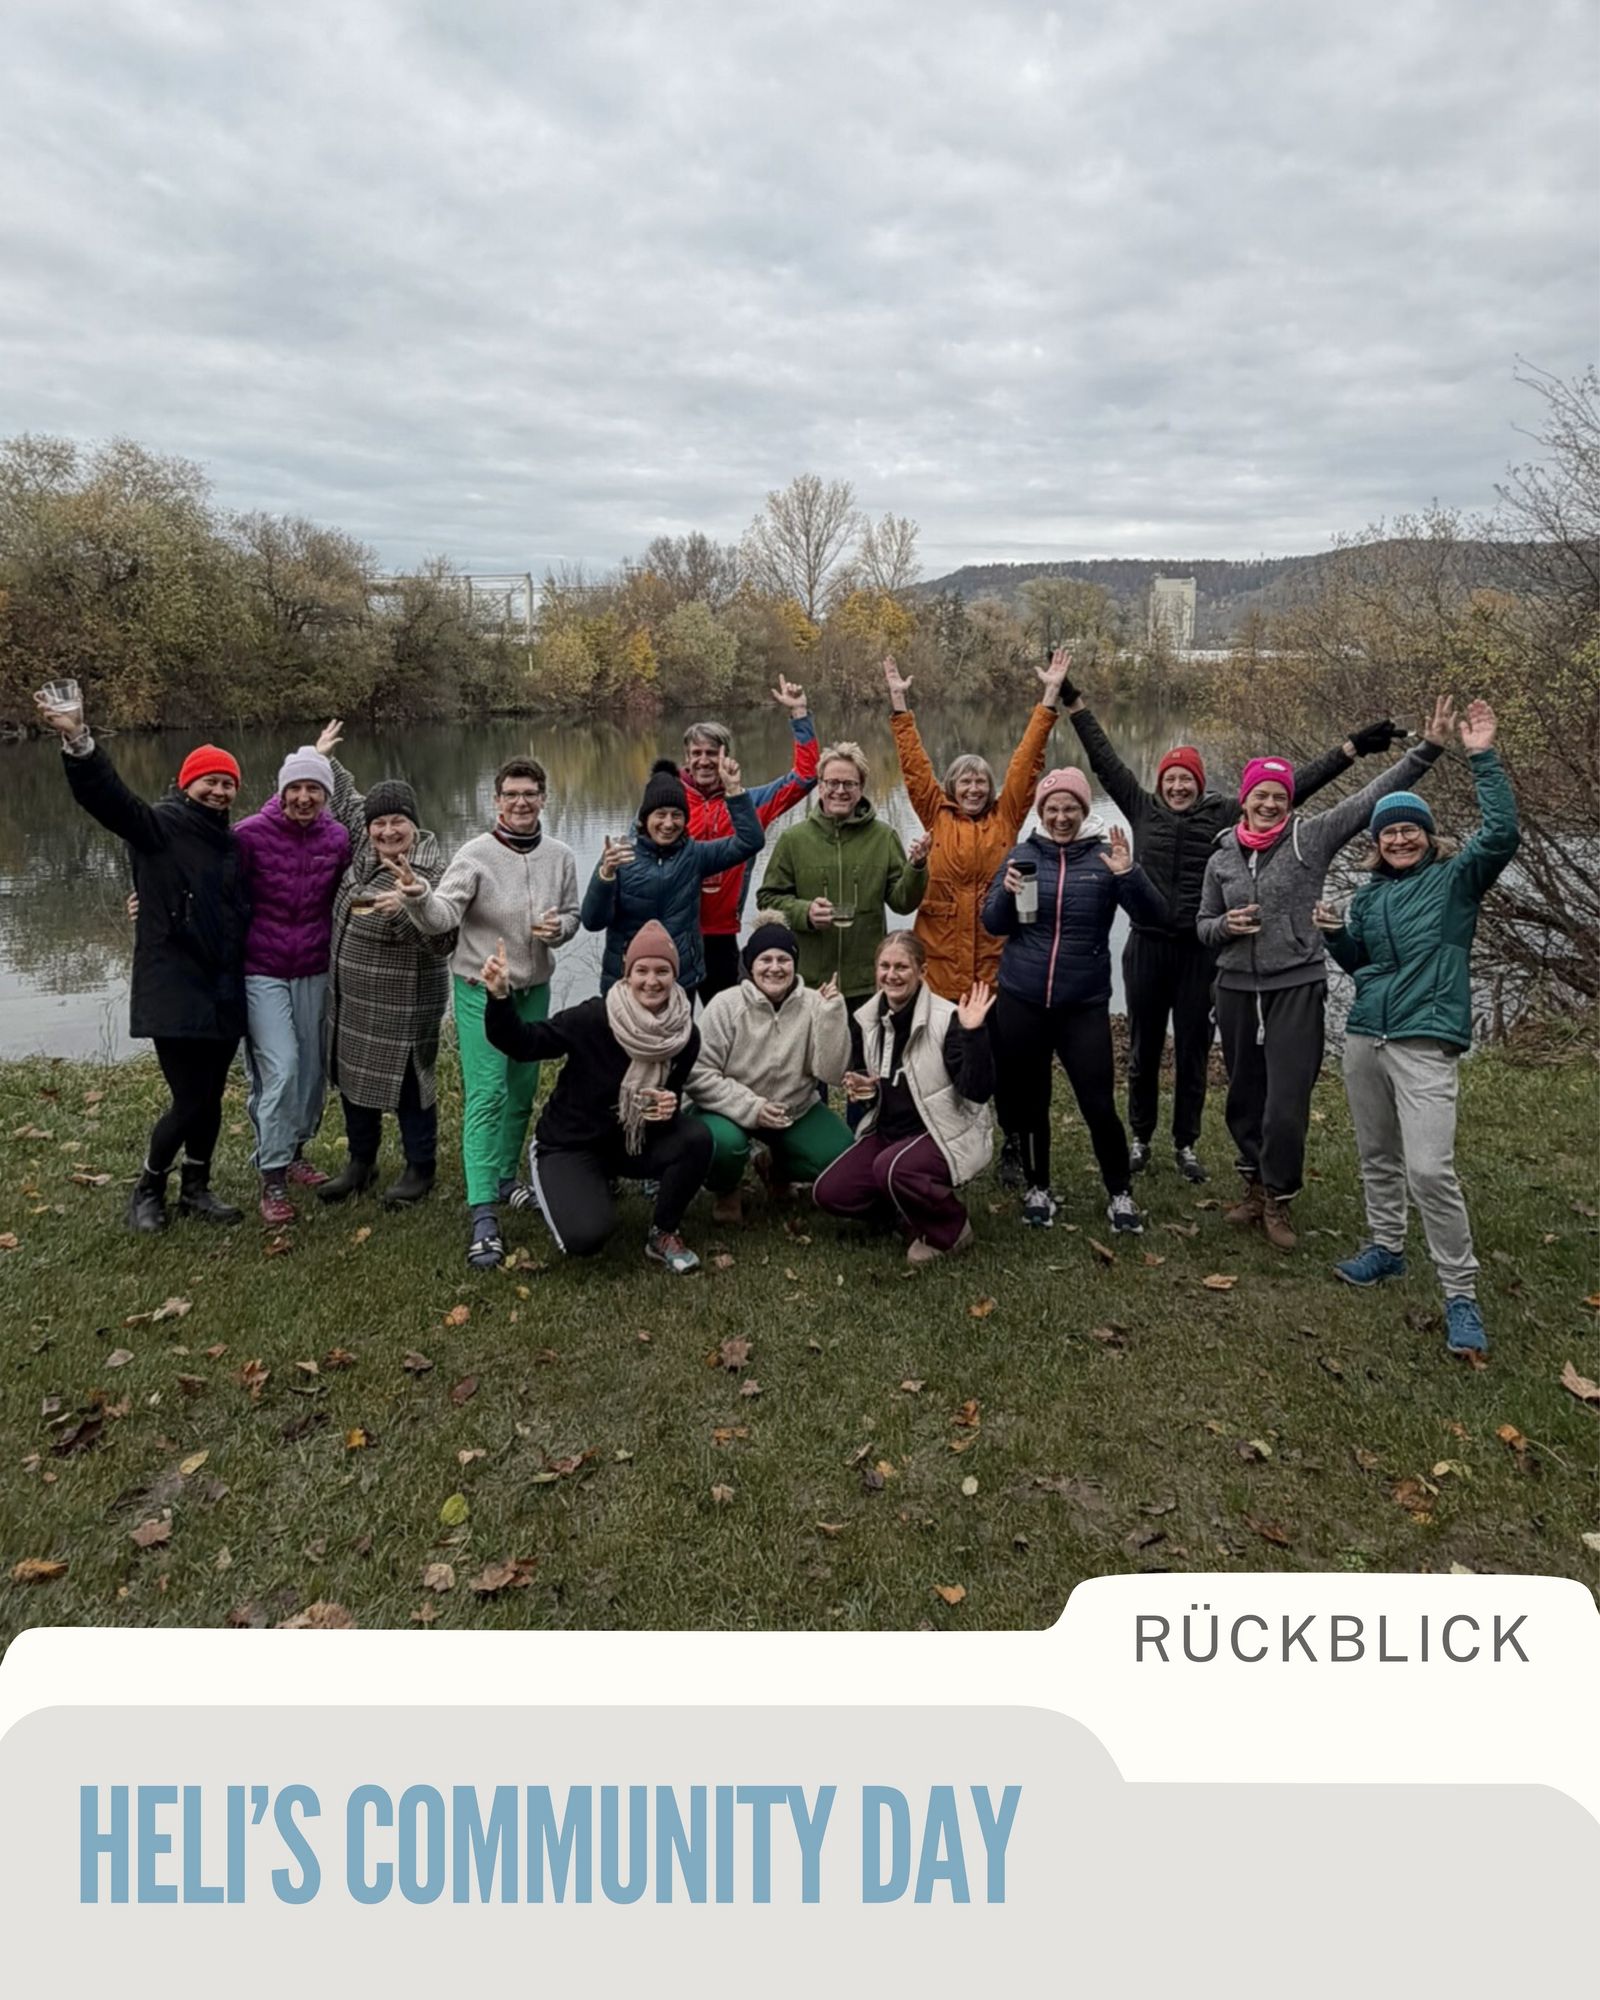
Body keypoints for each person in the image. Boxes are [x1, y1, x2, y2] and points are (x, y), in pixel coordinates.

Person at [1066, 687, 1409, 1183]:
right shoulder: (1141, 807)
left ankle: (1185, 1142)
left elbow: (1291, 788)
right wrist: (1074, 704)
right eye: (1171, 779)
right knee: (1143, 1049)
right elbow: (1104, 761)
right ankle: (1141, 1135)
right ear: (1160, 784)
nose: (1178, 787)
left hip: (1202, 949)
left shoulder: (1227, 813)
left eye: (1186, 780)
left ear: (1200, 784)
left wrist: (1350, 748)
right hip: (1147, 947)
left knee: (1193, 1049)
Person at [1195, 699, 1452, 1251]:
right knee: (1243, 1096)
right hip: (1235, 986)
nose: (1270, 803)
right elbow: (1202, 924)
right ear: (1245, 799)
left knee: (1286, 1101)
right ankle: (1253, 1184)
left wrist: (1427, 750)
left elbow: (1369, 799)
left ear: (1290, 801)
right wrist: (1224, 926)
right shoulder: (1221, 856)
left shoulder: (1309, 838)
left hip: (1295, 982)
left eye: (1279, 796)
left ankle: (1280, 1196)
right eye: (1261, 795)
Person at [1315, 700, 1518, 1358]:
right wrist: (1336, 936)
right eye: (1388, 833)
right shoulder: (1369, 895)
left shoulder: (1457, 880)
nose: (1398, 840)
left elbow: (1502, 833)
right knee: (1377, 1156)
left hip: (1425, 1039)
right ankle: (1386, 1247)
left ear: (1428, 837)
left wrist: (1482, 756)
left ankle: (1461, 1293)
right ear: (1375, 843)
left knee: (1430, 1170)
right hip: (1365, 1036)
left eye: (1409, 831)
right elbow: (1365, 965)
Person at [35, 686, 249, 1231]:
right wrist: (78, 741)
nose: (219, 790)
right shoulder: (160, 826)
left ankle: (196, 1189)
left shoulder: (232, 845)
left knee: (211, 1096)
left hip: (223, 987)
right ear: (187, 783)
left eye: (228, 783)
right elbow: (109, 800)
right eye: (210, 781)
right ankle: (148, 1188)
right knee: (190, 1099)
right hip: (173, 984)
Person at [395, 754, 579, 1271]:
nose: (521, 803)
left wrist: (560, 929)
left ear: (543, 798)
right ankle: (482, 1213)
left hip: (533, 990)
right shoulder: (475, 854)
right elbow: (441, 917)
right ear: (497, 801)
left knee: (522, 1090)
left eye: (530, 794)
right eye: (511, 794)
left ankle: (504, 1176)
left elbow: (572, 915)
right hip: (481, 988)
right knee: (487, 1093)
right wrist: (417, 895)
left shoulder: (562, 856)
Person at [981, 769, 1167, 1232]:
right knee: (1031, 1101)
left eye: (1070, 808)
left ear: (1083, 811)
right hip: (1022, 998)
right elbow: (994, 924)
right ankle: (1037, 1187)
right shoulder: (1021, 856)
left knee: (1097, 1102)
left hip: (1082, 1002)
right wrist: (1005, 896)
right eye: (1052, 809)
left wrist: (1129, 875)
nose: (1061, 817)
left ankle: (1120, 1192)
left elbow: (1153, 918)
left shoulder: (1106, 857)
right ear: (1041, 813)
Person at [481, 919, 713, 1274]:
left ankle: (663, 1232)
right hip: (570, 1142)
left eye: (662, 971)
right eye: (642, 971)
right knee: (586, 1237)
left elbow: (666, 1101)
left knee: (696, 1138)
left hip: (629, 1139)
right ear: (627, 974)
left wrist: (668, 1107)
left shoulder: (684, 1034)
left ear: (675, 975)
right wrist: (499, 997)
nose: (652, 981)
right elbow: (524, 1044)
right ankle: (569, 1183)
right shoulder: (593, 1017)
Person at [884, 648, 1067, 1001]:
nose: (973, 789)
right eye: (965, 782)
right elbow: (915, 767)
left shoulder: (1005, 816)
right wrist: (898, 702)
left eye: (981, 781)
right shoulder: (936, 814)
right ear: (952, 787)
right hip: (940, 967)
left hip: (994, 967)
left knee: (994, 1035)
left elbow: (1026, 762)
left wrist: (1049, 696)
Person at [812, 932, 996, 1265]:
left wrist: (973, 1034)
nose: (891, 975)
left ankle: (951, 1230)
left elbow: (977, 1091)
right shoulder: (868, 1018)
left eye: (901, 967)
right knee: (830, 1192)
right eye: (884, 966)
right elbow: (872, 1077)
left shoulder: (947, 1018)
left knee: (891, 1167)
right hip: (890, 1132)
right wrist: (867, 1087)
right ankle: (906, 1211)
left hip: (941, 1131)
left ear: (922, 971)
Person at [316, 777, 454, 1210]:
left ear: (414, 824)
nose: (388, 831)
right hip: (352, 1000)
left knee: (411, 1084)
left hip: (405, 1002)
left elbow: (442, 942)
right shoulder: (363, 848)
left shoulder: (433, 872)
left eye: (398, 822)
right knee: (354, 1080)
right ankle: (361, 1163)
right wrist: (322, 757)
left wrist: (410, 908)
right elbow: (345, 798)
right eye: (380, 822)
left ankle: (420, 1167)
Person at [231, 730, 351, 1222]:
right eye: (295, 788)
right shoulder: (248, 835)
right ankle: (273, 1176)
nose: (304, 797)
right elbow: (209, 885)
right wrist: (151, 902)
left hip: (314, 967)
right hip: (261, 969)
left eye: (314, 789)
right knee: (280, 1067)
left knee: (310, 1071)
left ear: (326, 795)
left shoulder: (337, 838)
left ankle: (295, 1149)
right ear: (280, 792)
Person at [685, 922, 853, 1224]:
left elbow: (832, 1073)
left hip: (793, 1109)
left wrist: (832, 1016)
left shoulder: (814, 1003)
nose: (775, 968)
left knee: (841, 1157)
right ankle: (726, 1189)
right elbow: (698, 1075)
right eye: (765, 960)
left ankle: (775, 1169)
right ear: (751, 964)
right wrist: (753, 1108)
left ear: (794, 965)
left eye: (783, 959)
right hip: (728, 1109)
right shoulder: (725, 1005)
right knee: (724, 1145)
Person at [754, 741, 931, 1018]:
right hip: (811, 983)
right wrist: (805, 912)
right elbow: (767, 899)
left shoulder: (883, 837)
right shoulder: (793, 839)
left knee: (863, 1048)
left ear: (861, 789)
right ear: (820, 786)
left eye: (849, 784)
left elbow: (902, 903)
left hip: (866, 983)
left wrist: (917, 867)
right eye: (832, 783)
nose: (840, 790)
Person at [681, 676, 819, 1004]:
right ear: (686, 757)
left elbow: (805, 777)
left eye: (712, 753)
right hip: (677, 932)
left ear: (727, 756)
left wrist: (799, 713)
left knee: (730, 1023)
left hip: (722, 936)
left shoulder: (749, 802)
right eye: (696, 753)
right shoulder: (667, 803)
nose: (704, 760)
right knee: (671, 1027)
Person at [583, 754, 763, 995]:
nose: (668, 824)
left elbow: (751, 841)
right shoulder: (619, 856)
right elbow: (592, 921)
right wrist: (605, 875)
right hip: (626, 980)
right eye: (660, 814)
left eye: (676, 815)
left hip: (681, 979)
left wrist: (734, 791)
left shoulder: (695, 855)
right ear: (645, 818)